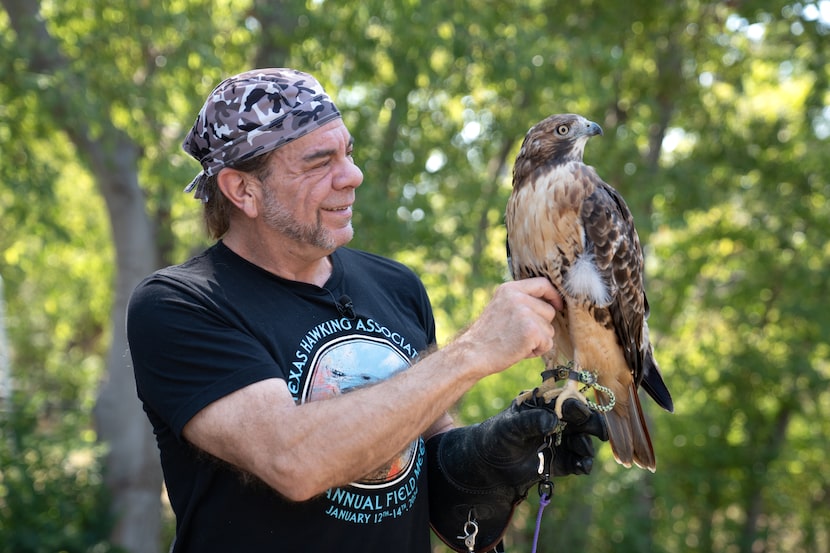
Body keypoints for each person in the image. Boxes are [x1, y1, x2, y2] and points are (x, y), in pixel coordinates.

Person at [127, 68, 608, 553]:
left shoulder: (395, 286)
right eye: (319, 163)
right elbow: (292, 461)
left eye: (348, 153)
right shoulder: (182, 305)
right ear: (242, 190)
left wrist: (489, 456)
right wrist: (473, 350)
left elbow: (427, 451)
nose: (352, 176)